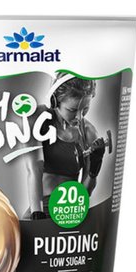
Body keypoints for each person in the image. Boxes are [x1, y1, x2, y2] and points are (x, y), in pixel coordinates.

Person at [23, 74, 109, 219]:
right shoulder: (37, 117)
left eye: (85, 109)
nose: (79, 117)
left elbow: (85, 192)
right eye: (72, 110)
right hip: (40, 207)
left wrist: (94, 169)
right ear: (54, 101)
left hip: (69, 210)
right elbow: (34, 168)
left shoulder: (89, 132)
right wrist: (37, 212)